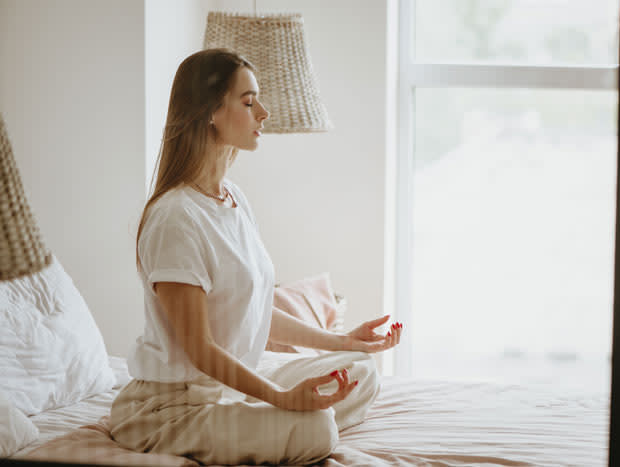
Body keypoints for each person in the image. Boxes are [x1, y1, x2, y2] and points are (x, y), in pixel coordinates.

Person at [109, 48, 403, 466]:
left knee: (360, 370)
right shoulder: (175, 217)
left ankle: (268, 420)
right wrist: (282, 398)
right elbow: (200, 349)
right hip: (173, 410)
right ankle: (277, 422)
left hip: (231, 389)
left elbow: (257, 311)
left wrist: (344, 341)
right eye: (249, 102)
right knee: (318, 428)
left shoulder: (232, 198)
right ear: (211, 112)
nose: (263, 112)